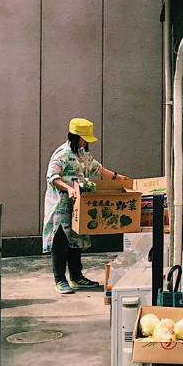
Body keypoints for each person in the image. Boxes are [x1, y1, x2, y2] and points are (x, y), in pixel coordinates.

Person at [43, 117, 123, 294]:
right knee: (60, 241)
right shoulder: (62, 154)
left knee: (75, 241)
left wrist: (118, 177)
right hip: (61, 206)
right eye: (84, 138)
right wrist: (68, 188)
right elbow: (53, 177)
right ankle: (60, 279)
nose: (86, 142)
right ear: (75, 136)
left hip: (77, 205)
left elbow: (97, 168)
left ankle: (76, 277)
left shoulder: (83, 154)